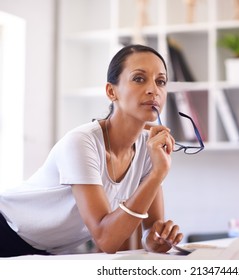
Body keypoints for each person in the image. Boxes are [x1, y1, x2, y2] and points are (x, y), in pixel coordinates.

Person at [0, 44, 183, 257]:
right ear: (111, 91)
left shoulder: (149, 147)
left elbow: (150, 228)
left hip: (45, 251)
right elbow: (106, 239)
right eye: (139, 79)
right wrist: (158, 174)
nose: (154, 90)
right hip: (6, 228)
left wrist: (155, 239)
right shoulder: (81, 142)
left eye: (160, 81)